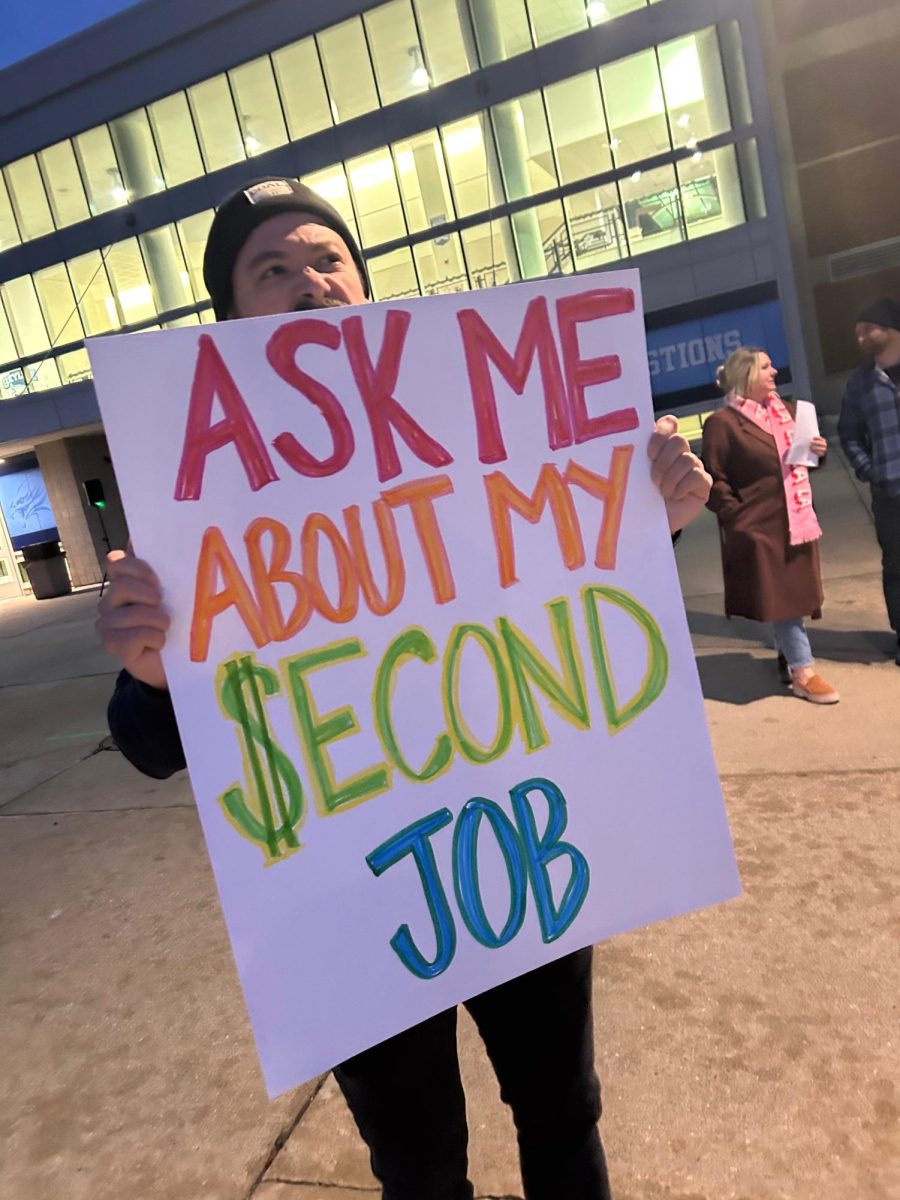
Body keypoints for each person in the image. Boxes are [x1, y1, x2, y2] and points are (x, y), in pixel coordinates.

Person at [96, 176, 713, 1200]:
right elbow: (154, 747)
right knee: (420, 1167)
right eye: (273, 269)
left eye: (328, 258)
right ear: (229, 317)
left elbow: (564, 576)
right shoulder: (191, 499)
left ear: (369, 287)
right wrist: (154, 672)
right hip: (346, 901)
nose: (308, 282)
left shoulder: (479, 434)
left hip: (522, 841)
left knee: (565, 1112)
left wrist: (652, 521)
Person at [701, 346, 838, 704]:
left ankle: (786, 656)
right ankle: (803, 671)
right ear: (746, 375)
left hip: (796, 519)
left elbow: (800, 463)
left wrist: (817, 453)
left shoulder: (787, 413)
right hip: (759, 527)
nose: (774, 371)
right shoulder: (723, 424)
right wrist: (737, 519)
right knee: (786, 599)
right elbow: (712, 480)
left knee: (791, 595)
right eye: (765, 366)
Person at [837, 298, 900, 665]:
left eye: (866, 330)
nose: (859, 338)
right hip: (889, 491)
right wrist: (869, 470)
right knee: (896, 567)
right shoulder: (861, 383)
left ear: (889, 329)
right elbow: (848, 433)